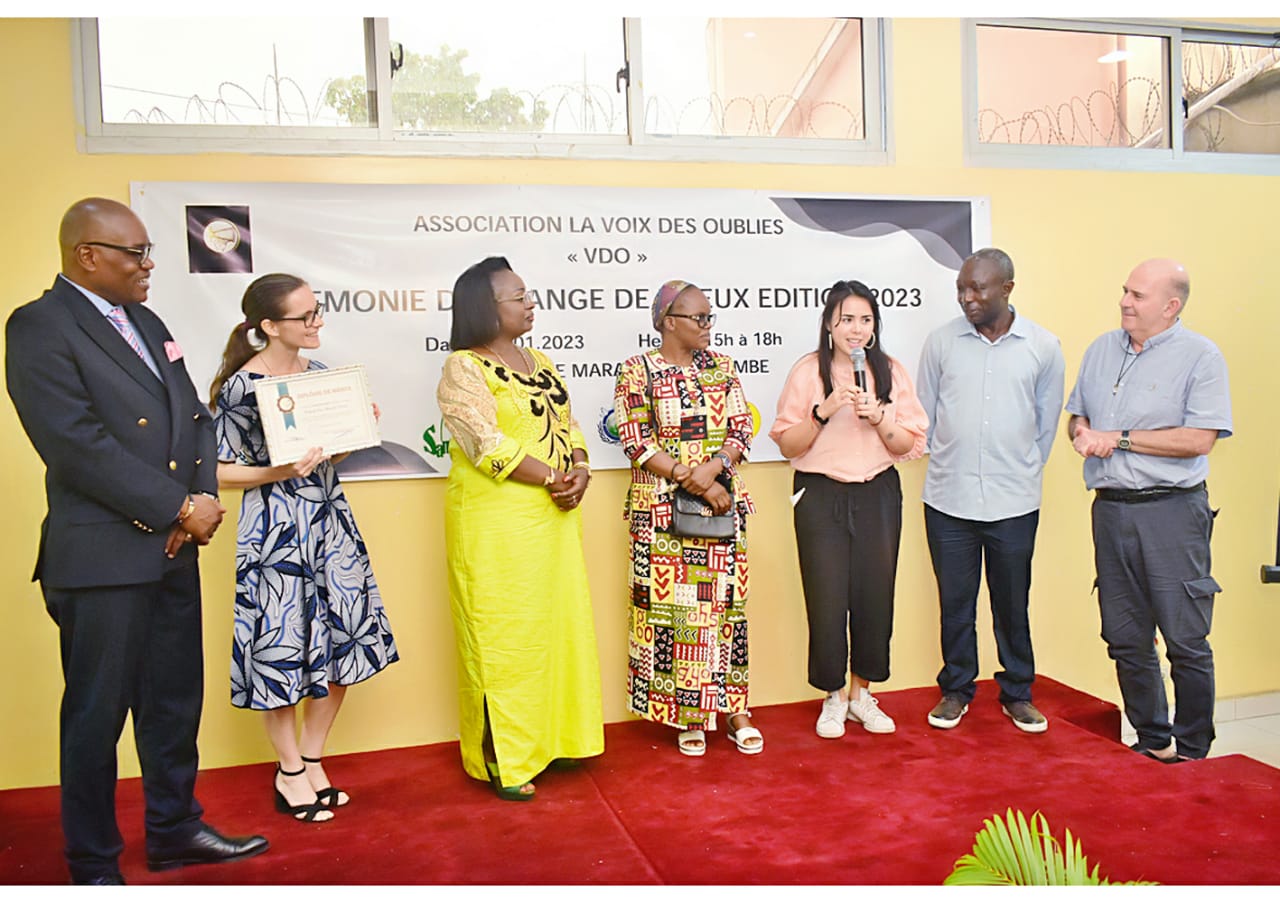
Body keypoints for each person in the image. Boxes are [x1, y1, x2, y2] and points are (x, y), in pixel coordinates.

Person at [4, 197, 268, 884]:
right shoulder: (38, 326)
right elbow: (75, 446)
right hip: (103, 559)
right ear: (86, 254)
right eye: (136, 253)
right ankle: (93, 861)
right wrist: (175, 507)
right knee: (96, 719)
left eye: (150, 251)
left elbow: (196, 418)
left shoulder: (147, 322)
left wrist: (200, 501)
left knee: (174, 703)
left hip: (172, 550)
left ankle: (175, 830)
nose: (149, 264)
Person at [209, 273, 399, 822]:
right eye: (306, 315)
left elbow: (326, 456)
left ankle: (311, 758)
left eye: (318, 312)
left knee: (345, 640)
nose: (318, 323)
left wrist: (351, 434)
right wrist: (279, 470)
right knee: (281, 649)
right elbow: (219, 471)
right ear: (270, 326)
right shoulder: (241, 388)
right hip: (274, 531)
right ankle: (289, 769)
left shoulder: (319, 377)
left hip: (329, 521)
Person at [436, 256, 603, 801]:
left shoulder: (539, 360)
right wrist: (555, 476)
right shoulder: (464, 367)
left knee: (554, 631)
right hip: (496, 526)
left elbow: (569, 424)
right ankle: (501, 756)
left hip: (552, 520)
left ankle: (554, 741)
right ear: (486, 307)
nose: (531, 304)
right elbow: (484, 443)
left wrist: (581, 468)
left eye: (529, 295)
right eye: (519, 297)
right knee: (502, 637)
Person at [1066, 257, 1230, 762]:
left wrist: (1118, 439)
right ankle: (1153, 739)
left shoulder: (1201, 357)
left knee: (1185, 638)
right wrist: (1082, 433)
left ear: (1170, 305)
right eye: (1125, 291)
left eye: (1137, 295)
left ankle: (1194, 750)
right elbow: (1078, 416)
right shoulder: (1100, 349)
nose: (1125, 302)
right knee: (1124, 636)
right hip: (1110, 511)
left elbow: (1199, 439)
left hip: (1171, 512)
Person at [769, 280, 927, 738]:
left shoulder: (890, 371)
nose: (856, 330)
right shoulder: (808, 372)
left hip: (877, 493)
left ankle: (862, 695)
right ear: (828, 324)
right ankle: (833, 696)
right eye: (846, 320)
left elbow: (908, 444)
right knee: (826, 596)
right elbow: (788, 446)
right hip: (821, 494)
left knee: (875, 595)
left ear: (875, 326)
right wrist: (822, 412)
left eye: (865, 320)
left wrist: (880, 417)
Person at [917, 248, 1065, 734]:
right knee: (955, 605)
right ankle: (956, 690)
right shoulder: (941, 343)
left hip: (1014, 503)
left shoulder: (1043, 346)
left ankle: (1017, 693)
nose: (967, 298)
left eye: (977, 288)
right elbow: (925, 415)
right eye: (961, 288)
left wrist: (1019, 471)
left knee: (1012, 603)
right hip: (948, 500)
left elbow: (1045, 426)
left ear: (1007, 288)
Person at [613, 280, 761, 757]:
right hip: (661, 514)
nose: (707, 325)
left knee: (726, 612)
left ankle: (735, 710)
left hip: (721, 508)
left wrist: (714, 469)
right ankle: (688, 716)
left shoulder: (723, 367)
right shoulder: (636, 372)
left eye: (709, 317)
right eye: (698, 318)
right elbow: (635, 440)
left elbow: (742, 428)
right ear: (667, 322)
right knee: (672, 618)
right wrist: (690, 478)